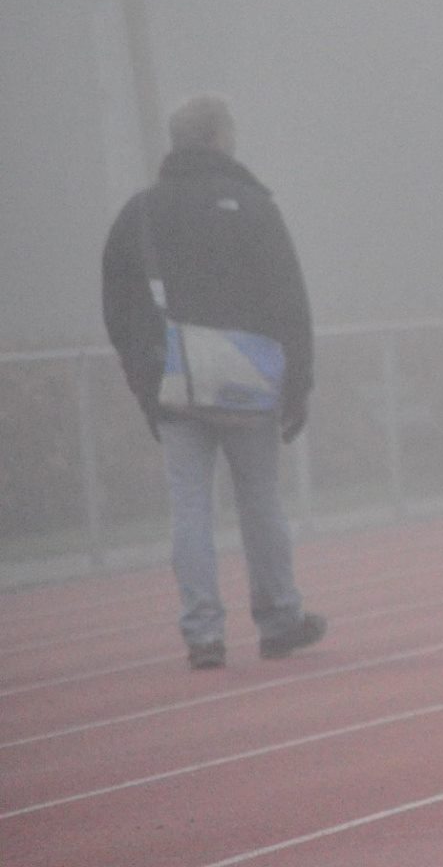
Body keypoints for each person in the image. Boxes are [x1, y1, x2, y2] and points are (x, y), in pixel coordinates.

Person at [100, 96, 324, 670]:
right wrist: (298, 382)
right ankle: (279, 619)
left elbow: (119, 305)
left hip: (176, 382)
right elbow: (289, 299)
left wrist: (144, 378)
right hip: (251, 380)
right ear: (219, 138)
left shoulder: (142, 212)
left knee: (190, 509)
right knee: (260, 501)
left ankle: (202, 634)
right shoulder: (254, 206)